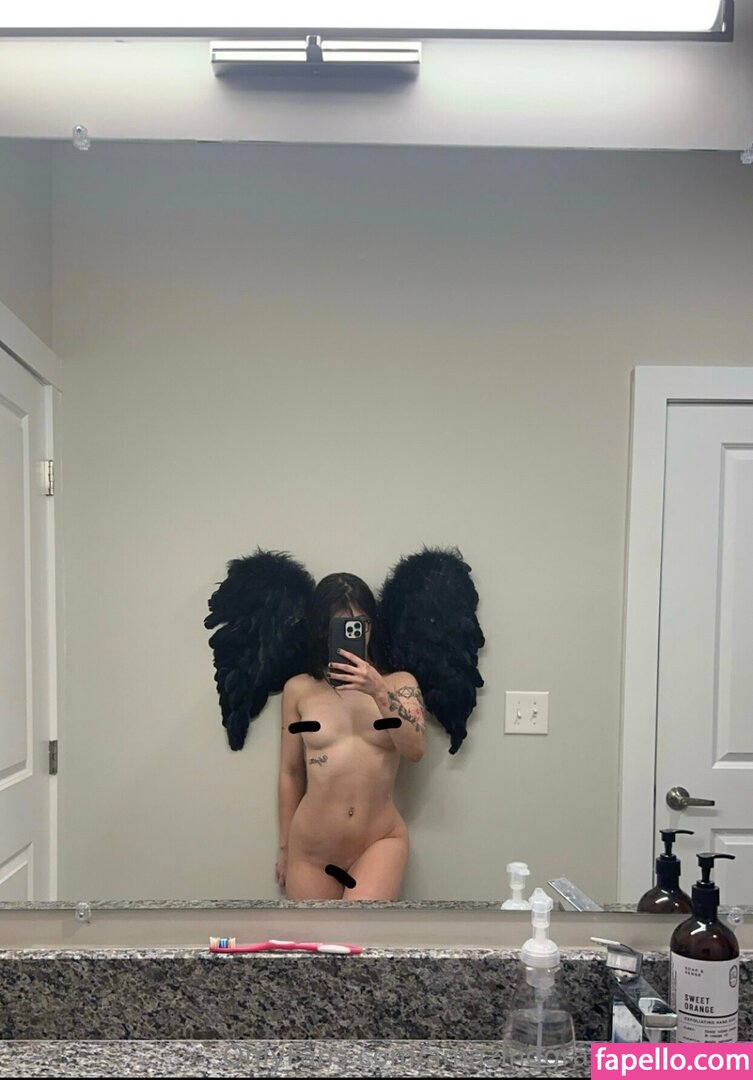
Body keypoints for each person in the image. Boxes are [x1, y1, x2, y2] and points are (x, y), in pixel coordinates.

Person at [275, 573, 426, 900]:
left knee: (360, 930)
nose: (353, 633)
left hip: (379, 840)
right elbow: (291, 772)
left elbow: (415, 750)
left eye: (360, 624)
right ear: (322, 629)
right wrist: (285, 846)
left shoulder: (399, 684)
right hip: (311, 850)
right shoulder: (299, 689)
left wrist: (379, 691)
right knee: (312, 935)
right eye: (340, 625)